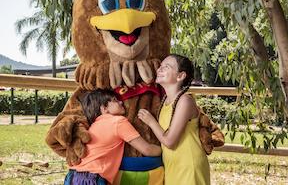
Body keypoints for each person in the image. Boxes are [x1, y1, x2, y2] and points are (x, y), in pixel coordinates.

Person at [138, 54, 210, 185]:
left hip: (189, 165)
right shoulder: (165, 100)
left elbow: (169, 141)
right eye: (160, 66)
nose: (159, 69)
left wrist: (151, 121)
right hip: (173, 166)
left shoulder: (185, 101)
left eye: (166, 67)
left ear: (180, 76)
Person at [64, 89, 162, 185]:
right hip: (91, 178)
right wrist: (165, 150)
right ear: (104, 108)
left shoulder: (93, 125)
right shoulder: (118, 122)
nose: (121, 102)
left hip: (72, 176)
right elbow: (147, 149)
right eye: (115, 100)